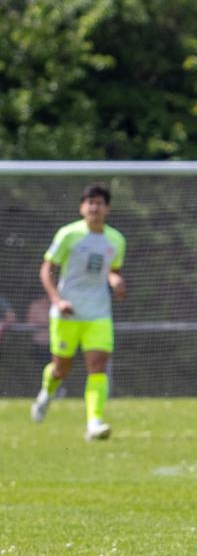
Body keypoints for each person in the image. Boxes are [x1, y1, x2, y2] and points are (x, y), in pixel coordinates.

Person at [31, 184, 127, 440]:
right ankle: (46, 393)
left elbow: (112, 271)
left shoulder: (116, 240)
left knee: (97, 366)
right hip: (67, 313)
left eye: (99, 203)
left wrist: (116, 282)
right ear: (82, 207)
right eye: (90, 202)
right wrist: (57, 300)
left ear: (107, 209)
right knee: (61, 369)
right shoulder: (69, 234)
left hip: (98, 313)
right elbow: (47, 269)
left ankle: (94, 423)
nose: (94, 207)